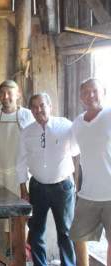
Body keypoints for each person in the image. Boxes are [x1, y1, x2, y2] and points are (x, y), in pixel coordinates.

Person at [16, 93, 78, 266]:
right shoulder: (27, 132)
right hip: (37, 188)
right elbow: (20, 161)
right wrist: (23, 188)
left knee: (65, 232)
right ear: (31, 110)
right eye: (34, 107)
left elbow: (75, 150)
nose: (38, 110)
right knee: (36, 232)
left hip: (63, 187)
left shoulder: (65, 125)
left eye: (42, 105)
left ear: (50, 106)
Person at [70, 78, 111, 266]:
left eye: (94, 91)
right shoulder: (77, 123)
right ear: (80, 97)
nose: (90, 95)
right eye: (85, 92)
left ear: (103, 92)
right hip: (88, 194)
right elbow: (69, 149)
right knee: (78, 236)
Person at [0, 80, 34, 194]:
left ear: (18, 94)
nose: (5, 96)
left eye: (9, 92)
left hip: (22, 175)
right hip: (0, 174)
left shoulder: (29, 116)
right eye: (2, 93)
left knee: (23, 209)